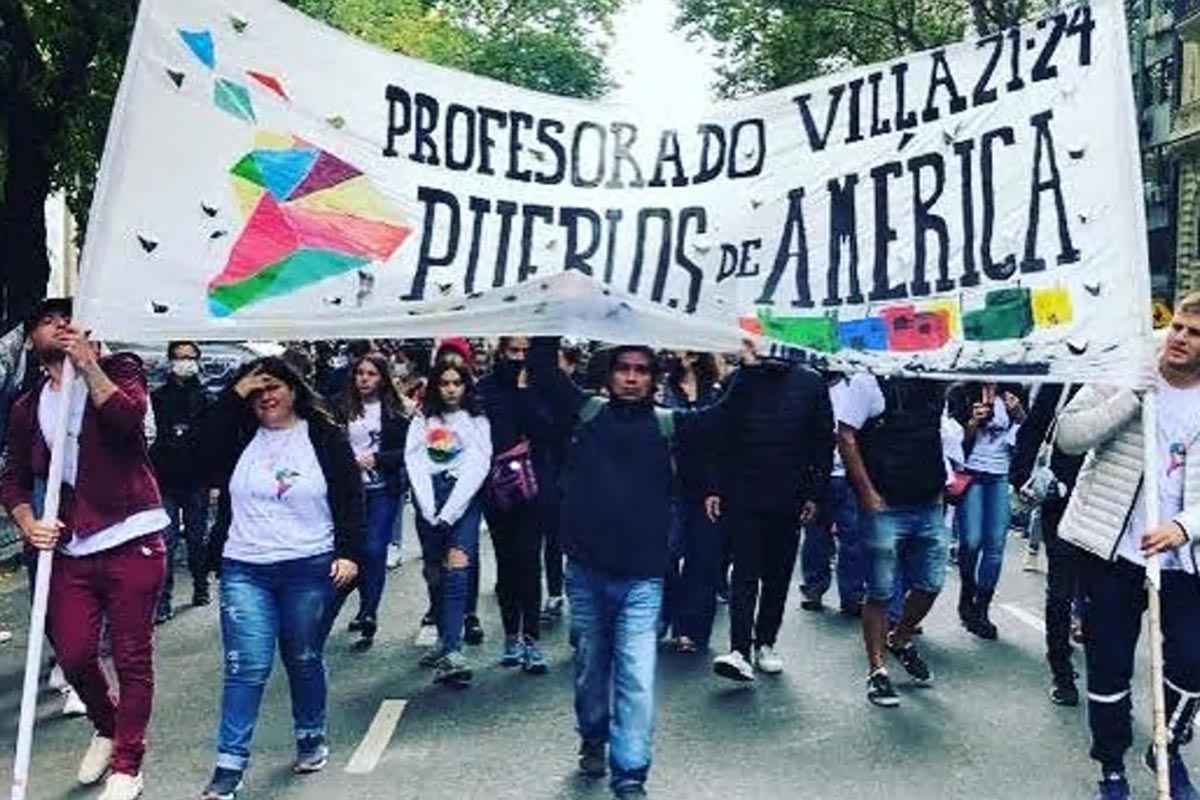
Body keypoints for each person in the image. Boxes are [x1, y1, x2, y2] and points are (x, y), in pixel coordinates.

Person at [530, 337, 715, 799]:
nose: (632, 377)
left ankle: (630, 773)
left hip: (643, 578)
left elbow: (727, 416)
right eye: (623, 369)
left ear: (654, 379)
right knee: (591, 670)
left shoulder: (669, 425)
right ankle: (592, 735)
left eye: (642, 370)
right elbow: (545, 373)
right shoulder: (587, 413)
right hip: (587, 572)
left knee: (635, 675)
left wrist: (750, 364)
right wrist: (550, 316)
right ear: (609, 374)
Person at [0, 298, 169, 800]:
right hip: (74, 546)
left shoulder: (120, 369)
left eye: (66, 319)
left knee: (131, 655)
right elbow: (10, 475)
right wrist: (28, 521)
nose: (58, 326)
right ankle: (108, 724)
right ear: (32, 340)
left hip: (132, 535)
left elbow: (127, 421)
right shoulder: (29, 405)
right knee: (73, 654)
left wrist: (90, 365)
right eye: (46, 321)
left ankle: (128, 761)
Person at [197, 357, 364, 800]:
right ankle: (228, 768)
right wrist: (232, 396)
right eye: (256, 391)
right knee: (246, 666)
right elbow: (192, 454)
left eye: (274, 386)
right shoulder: (236, 436)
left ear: (294, 389)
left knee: (303, 656)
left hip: (309, 566)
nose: (266, 396)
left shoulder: (324, 436)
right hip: (244, 567)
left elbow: (350, 494)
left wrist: (350, 553)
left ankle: (310, 735)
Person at [1055, 294, 1200, 800]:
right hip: (1113, 550)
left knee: (1192, 663)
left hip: (1183, 558)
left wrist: (1185, 526)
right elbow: (1068, 436)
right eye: (1179, 326)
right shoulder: (1127, 362)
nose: (1180, 338)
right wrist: (1129, 396)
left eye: (1194, 333)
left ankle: (1166, 745)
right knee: (1109, 662)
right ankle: (1111, 764)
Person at [709, 344, 833, 682]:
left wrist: (814, 494)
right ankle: (739, 649)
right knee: (745, 571)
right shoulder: (740, 380)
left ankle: (766, 642)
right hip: (742, 493)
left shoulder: (811, 383)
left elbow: (823, 442)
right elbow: (720, 433)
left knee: (777, 575)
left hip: (789, 495)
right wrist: (715, 487)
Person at [837, 373, 948, 708]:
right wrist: (867, 494)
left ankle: (899, 639)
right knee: (881, 590)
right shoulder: (866, 381)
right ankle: (877, 670)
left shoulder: (934, 378)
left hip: (927, 501)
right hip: (886, 504)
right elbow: (846, 436)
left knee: (931, 583)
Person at [405, 360, 491, 686]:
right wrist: (428, 507)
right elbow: (414, 460)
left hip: (462, 502)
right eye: (445, 383)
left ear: (466, 386)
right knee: (434, 572)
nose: (451, 389)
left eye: (457, 382)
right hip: (429, 499)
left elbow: (478, 464)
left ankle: (455, 651)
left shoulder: (477, 420)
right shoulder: (422, 419)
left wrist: (451, 511)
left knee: (457, 568)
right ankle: (444, 638)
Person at [477, 336, 556, 673]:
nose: (519, 358)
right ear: (501, 351)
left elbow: (545, 429)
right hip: (497, 487)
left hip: (534, 486)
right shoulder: (486, 388)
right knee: (507, 562)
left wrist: (525, 393)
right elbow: (490, 434)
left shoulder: (539, 386)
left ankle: (532, 639)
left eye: (525, 352)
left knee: (529, 560)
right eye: (514, 351)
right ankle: (511, 635)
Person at [1010, 383, 1084, 707]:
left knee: (1108, 592)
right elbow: (1034, 427)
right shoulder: (1067, 378)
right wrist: (1023, 478)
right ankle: (1062, 671)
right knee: (1061, 588)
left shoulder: (1132, 376)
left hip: (1114, 502)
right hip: (1062, 497)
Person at [333, 353, 409, 650]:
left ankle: (369, 611)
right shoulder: (340, 408)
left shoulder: (395, 411)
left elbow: (406, 451)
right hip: (349, 491)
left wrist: (377, 458)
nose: (364, 379)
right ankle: (354, 601)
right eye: (360, 373)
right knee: (351, 550)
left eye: (371, 374)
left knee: (375, 548)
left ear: (383, 378)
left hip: (382, 488)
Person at [949, 382, 1025, 640]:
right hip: (971, 472)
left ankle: (982, 609)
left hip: (1000, 474)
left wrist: (1018, 415)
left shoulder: (1014, 391)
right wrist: (972, 422)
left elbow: (1027, 435)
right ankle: (966, 594)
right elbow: (952, 439)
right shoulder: (961, 392)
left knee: (995, 544)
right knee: (970, 541)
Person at [661, 351, 726, 653]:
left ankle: (691, 629)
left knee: (704, 559)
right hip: (666, 483)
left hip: (707, 485)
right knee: (664, 554)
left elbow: (723, 440)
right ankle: (664, 617)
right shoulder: (663, 385)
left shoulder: (718, 388)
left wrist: (717, 485)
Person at [149, 340, 212, 621]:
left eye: (189, 357)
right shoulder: (159, 397)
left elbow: (214, 443)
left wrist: (215, 483)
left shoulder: (206, 397)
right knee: (167, 540)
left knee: (198, 539)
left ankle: (201, 584)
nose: (184, 362)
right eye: (179, 357)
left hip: (197, 480)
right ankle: (163, 601)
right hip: (165, 480)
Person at [799, 371, 868, 618]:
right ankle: (814, 587)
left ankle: (852, 595)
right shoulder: (810, 386)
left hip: (849, 472)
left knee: (853, 537)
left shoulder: (854, 385)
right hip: (819, 472)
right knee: (817, 533)